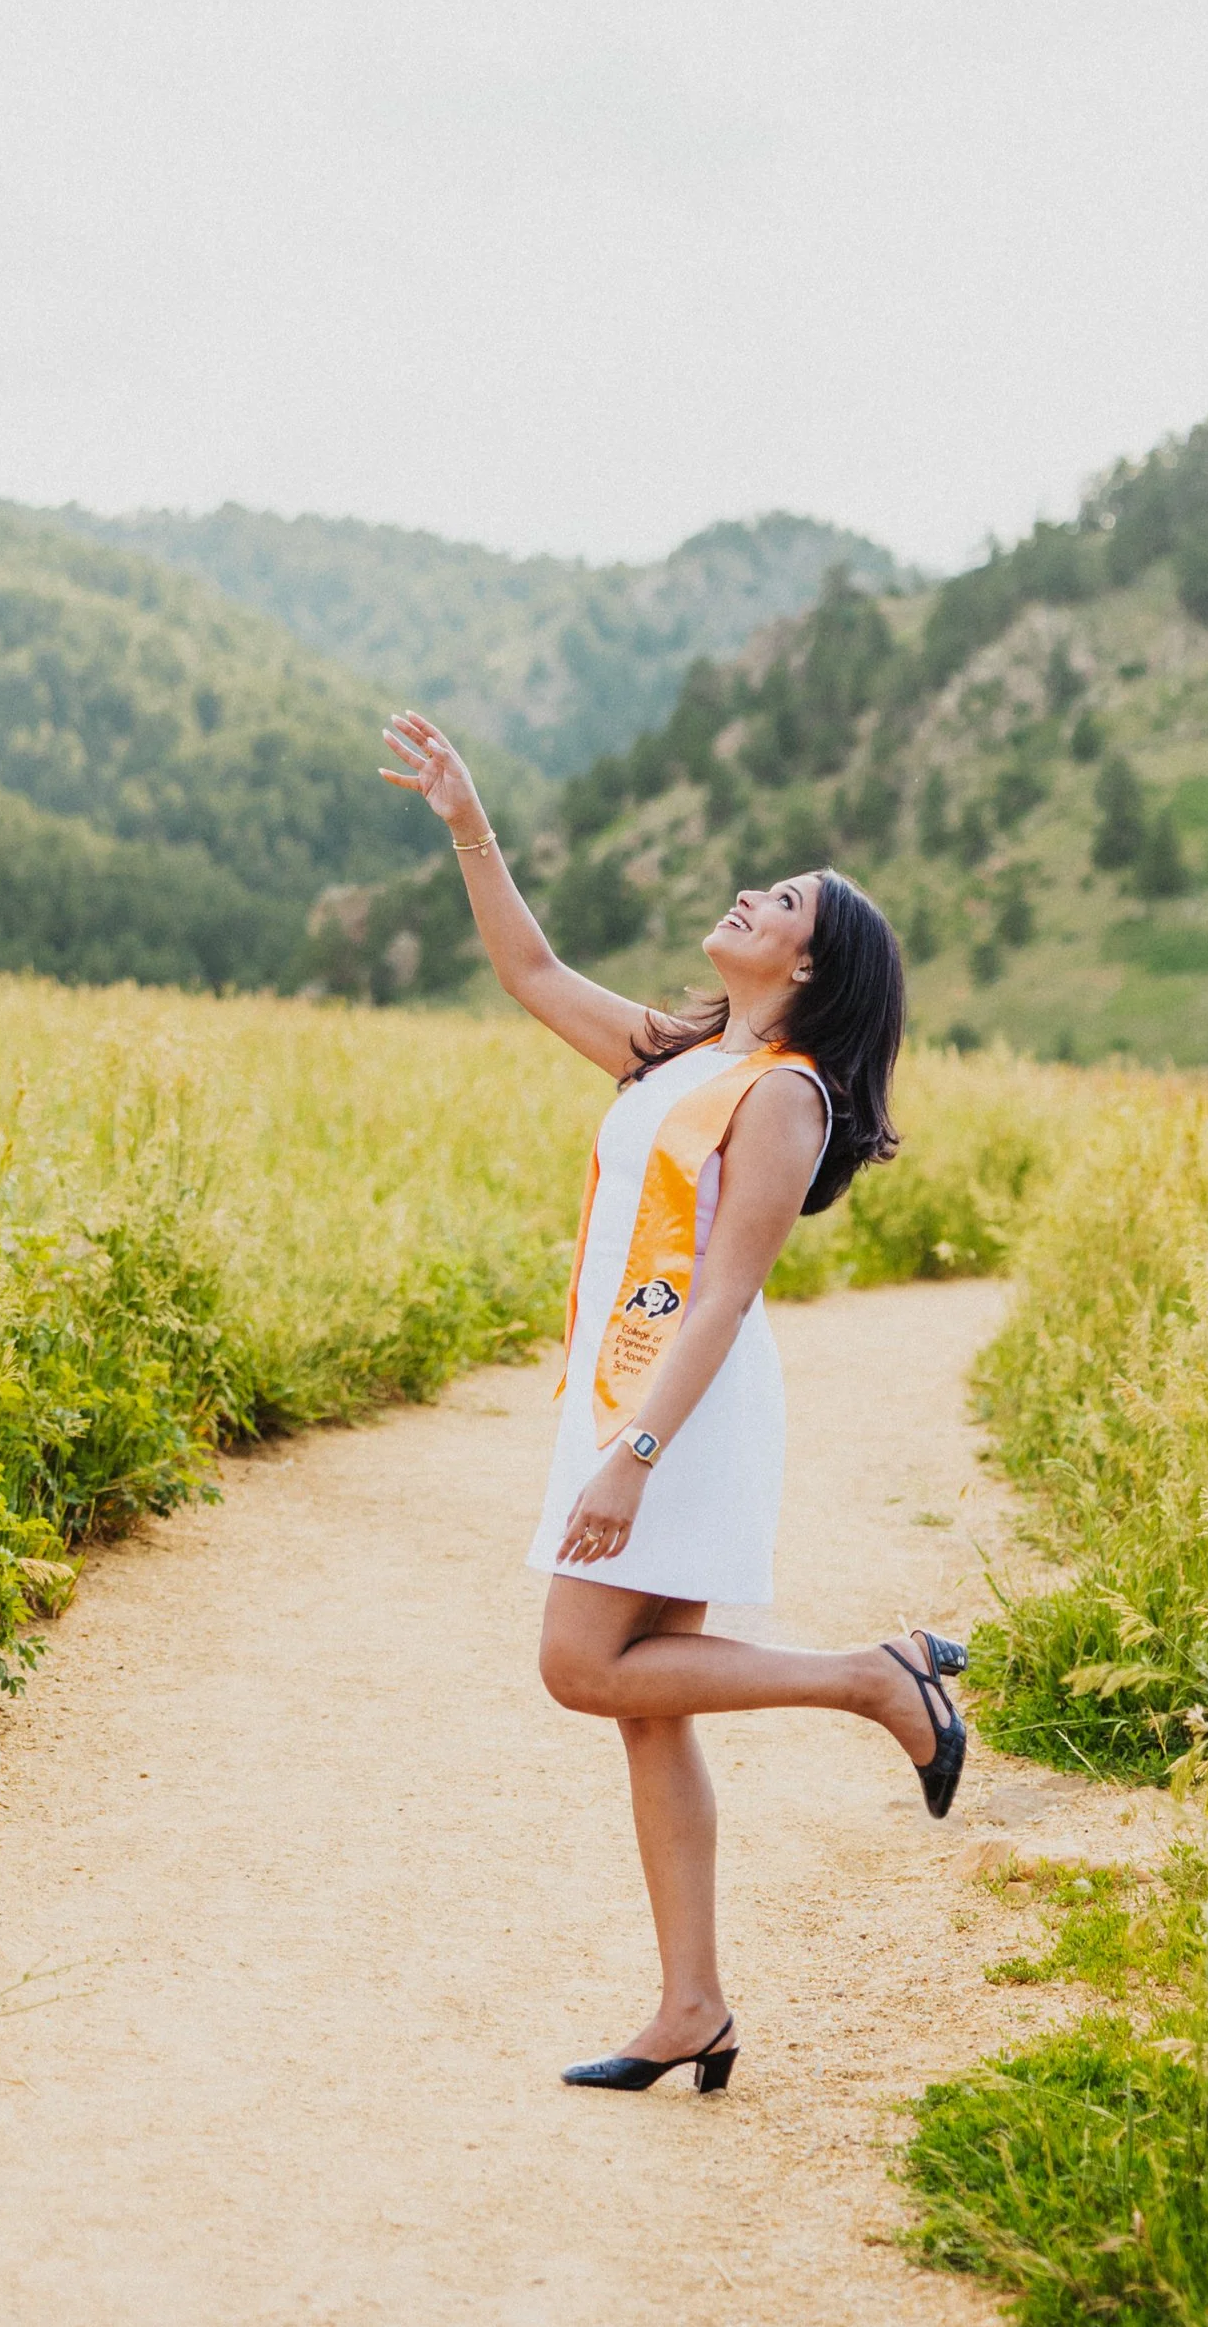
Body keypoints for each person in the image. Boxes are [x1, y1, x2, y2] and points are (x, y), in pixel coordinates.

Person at [382, 709, 965, 2097]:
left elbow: (721, 1293)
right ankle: (691, 2003)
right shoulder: (681, 1055)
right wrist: (469, 816)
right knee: (650, 1707)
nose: (754, 892)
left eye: (786, 900)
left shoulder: (786, 1096)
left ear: (811, 963)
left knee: (581, 1664)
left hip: (682, 1414)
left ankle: (869, 1677)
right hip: (635, 1399)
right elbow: (527, 967)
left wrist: (632, 1455)